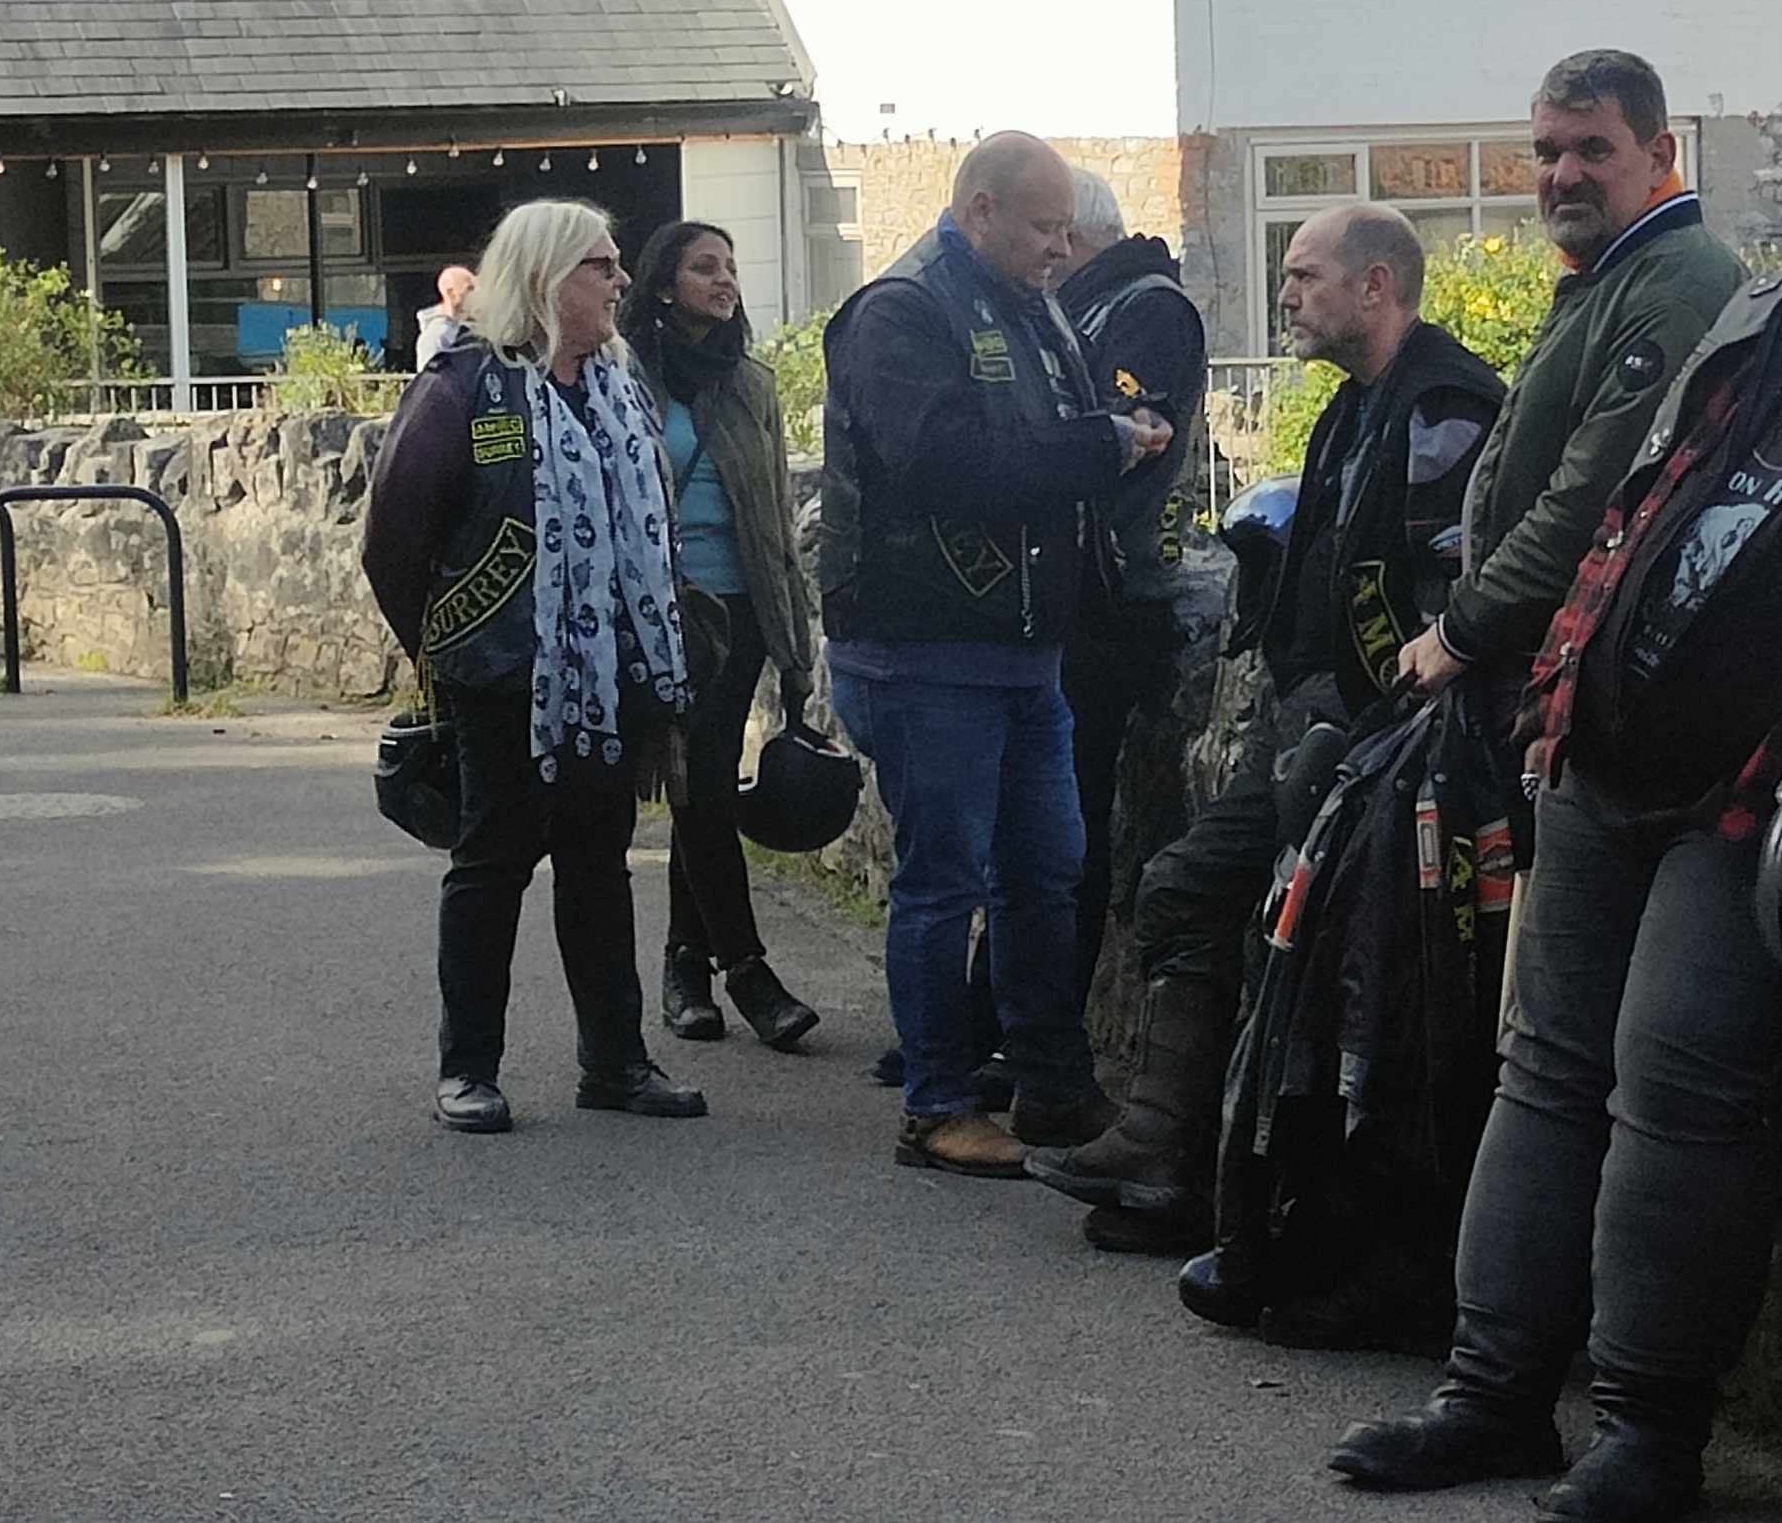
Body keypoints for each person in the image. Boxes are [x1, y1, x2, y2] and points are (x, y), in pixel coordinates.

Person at [1325, 101, 1782, 1520]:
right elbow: (1637, 498)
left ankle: (1649, 1434)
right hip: (1606, 751)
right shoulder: (1777, 318)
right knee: (1543, 1065)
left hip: (1773, 789)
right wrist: (1558, 685)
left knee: (1677, 1080)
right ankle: (1492, 1395)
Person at [1028, 201, 1502, 1261]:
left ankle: (1236, 1186)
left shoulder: (1443, 412)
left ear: (1374, 286)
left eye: (1305, 275)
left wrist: (1366, 739)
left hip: (1387, 748)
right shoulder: (1357, 407)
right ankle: (1167, 1154)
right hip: (1317, 724)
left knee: (1254, 918)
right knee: (1190, 888)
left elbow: (1450, 600)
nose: (1285, 295)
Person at [819, 131, 1173, 1177]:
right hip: (926, 648)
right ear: (978, 210)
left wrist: (1100, 431)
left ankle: (1053, 1088)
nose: (1062, 246)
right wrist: (1102, 443)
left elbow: (1034, 436)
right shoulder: (903, 310)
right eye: (1042, 226)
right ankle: (934, 1104)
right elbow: (941, 464)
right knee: (942, 883)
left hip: (1022, 650)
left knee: (1045, 872)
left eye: (1068, 227)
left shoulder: (1026, 303)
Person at [361, 200, 708, 1134]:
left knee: (599, 868)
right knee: (491, 870)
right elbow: (395, 538)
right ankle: (467, 1067)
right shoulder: (462, 387)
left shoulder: (617, 387)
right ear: (548, 279)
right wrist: (449, 654)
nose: (621, 281)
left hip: (608, 679)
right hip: (503, 681)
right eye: (601, 265)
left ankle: (616, 1062)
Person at [1395, 51, 1742, 713]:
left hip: (1593, 685)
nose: (1564, 175)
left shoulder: (1677, 285)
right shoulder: (1612, 271)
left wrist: (1462, 630)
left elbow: (1591, 499)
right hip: (1541, 663)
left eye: (1593, 150)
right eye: (1547, 152)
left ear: (1660, 156)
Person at [625, 219, 825, 1053]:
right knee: (701, 779)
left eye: (731, 267)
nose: (725, 279)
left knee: (699, 781)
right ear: (664, 284)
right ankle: (746, 970)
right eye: (705, 267)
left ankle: (683, 966)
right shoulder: (626, 376)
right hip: (666, 609)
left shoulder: (752, 382)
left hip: (738, 612)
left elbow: (777, 513)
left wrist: (793, 641)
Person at [1051, 166, 1208, 982]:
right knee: (1042, 823)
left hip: (1113, 596)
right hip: (1076, 589)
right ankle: (997, 1017)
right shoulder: (1088, 301)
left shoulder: (1146, 307)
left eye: (1049, 237)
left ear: (1076, 233)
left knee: (1067, 821)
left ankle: (1036, 1036)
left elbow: (1139, 437)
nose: (1041, 256)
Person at [415, 264, 474, 370]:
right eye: (470, 289)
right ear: (451, 293)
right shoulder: (437, 336)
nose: (476, 295)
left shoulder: (470, 330)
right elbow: (431, 382)